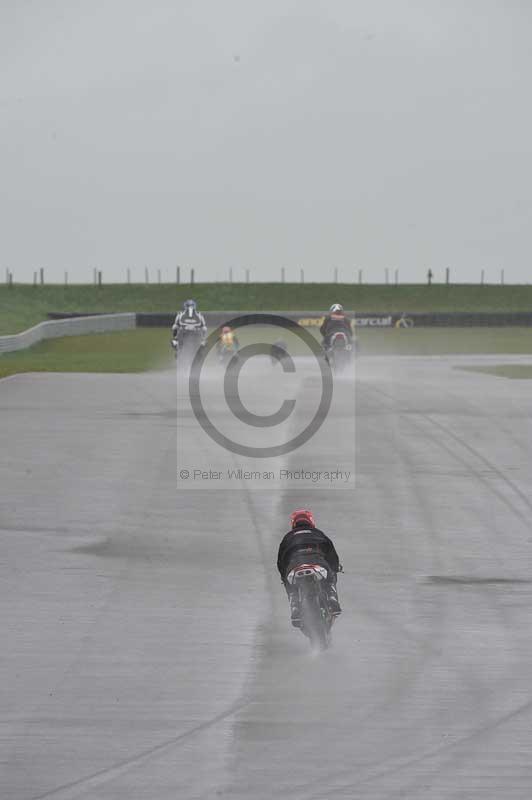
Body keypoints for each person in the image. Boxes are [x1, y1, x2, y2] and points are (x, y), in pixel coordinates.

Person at [277, 509, 342, 627]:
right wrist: (335, 567)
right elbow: (331, 553)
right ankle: (332, 598)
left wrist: (284, 577)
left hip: (294, 565)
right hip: (317, 561)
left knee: (290, 587)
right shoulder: (318, 533)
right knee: (331, 576)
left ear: (293, 523)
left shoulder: (288, 537)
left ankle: (295, 607)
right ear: (311, 521)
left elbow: (281, 560)